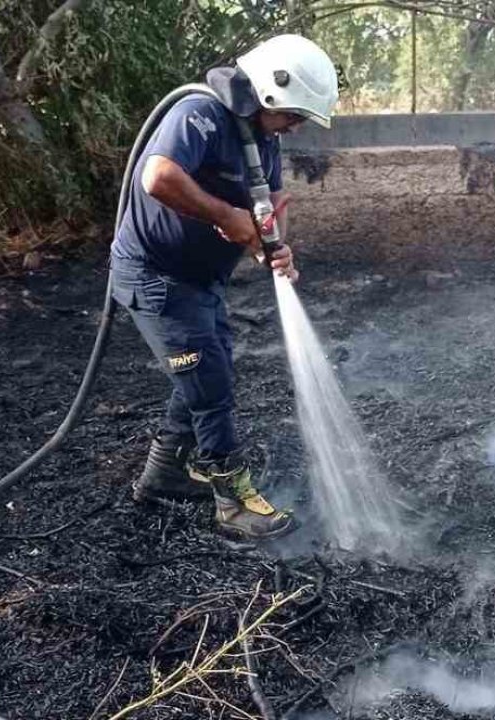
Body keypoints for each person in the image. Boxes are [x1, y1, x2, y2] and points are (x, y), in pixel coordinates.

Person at [109, 35, 339, 540]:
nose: (296, 125)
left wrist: (274, 247)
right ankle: (232, 503)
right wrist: (225, 216)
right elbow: (158, 176)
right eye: (293, 114)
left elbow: (272, 199)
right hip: (155, 275)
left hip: (198, 278)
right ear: (266, 91)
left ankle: (167, 474)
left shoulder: (265, 139)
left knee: (207, 368)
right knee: (209, 384)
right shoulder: (199, 115)